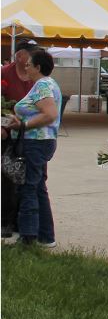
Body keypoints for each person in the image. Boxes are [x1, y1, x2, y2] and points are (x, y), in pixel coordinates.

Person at [5, 48, 61, 246]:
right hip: (39, 141)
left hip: (35, 142)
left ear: (38, 67)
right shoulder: (44, 84)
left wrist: (23, 125)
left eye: (29, 64)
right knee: (37, 188)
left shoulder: (43, 85)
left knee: (28, 188)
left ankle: (28, 237)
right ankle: (46, 237)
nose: (25, 67)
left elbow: (50, 114)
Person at [2, 40, 43, 239]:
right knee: (8, 177)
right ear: (20, 55)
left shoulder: (38, 77)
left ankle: (22, 221)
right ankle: (6, 221)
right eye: (31, 53)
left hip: (31, 135)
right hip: (8, 133)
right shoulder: (4, 74)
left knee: (29, 179)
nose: (34, 56)